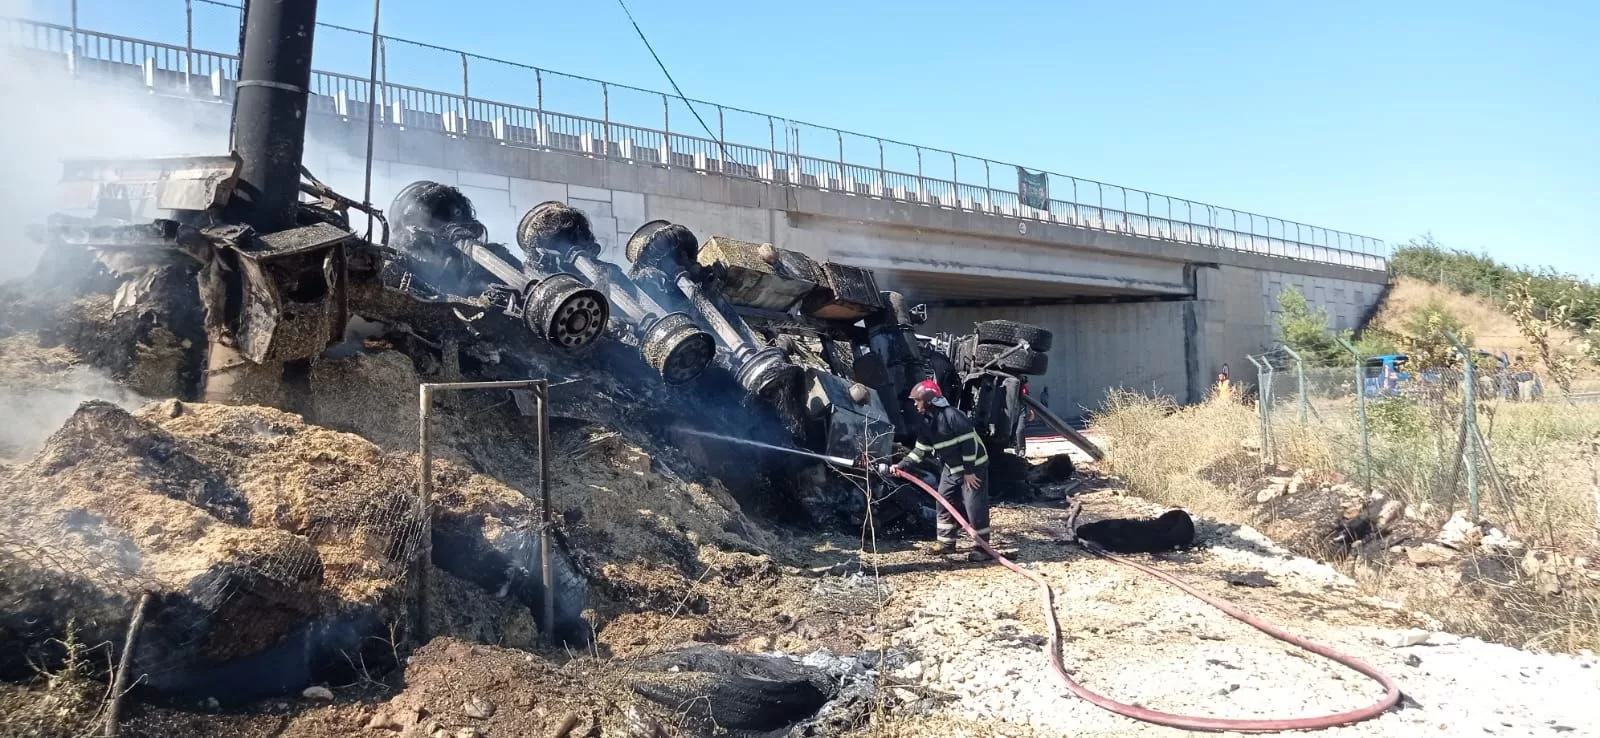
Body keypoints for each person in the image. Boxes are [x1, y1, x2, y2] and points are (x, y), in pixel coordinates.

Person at [890, 379, 993, 562]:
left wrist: (969, 472)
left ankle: (982, 548)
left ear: (928, 400)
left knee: (974, 506)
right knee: (944, 501)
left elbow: (970, 445)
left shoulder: (953, 416)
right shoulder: (927, 423)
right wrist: (902, 465)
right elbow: (920, 451)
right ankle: (946, 544)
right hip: (951, 467)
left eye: (917, 400)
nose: (914, 404)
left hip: (973, 466)